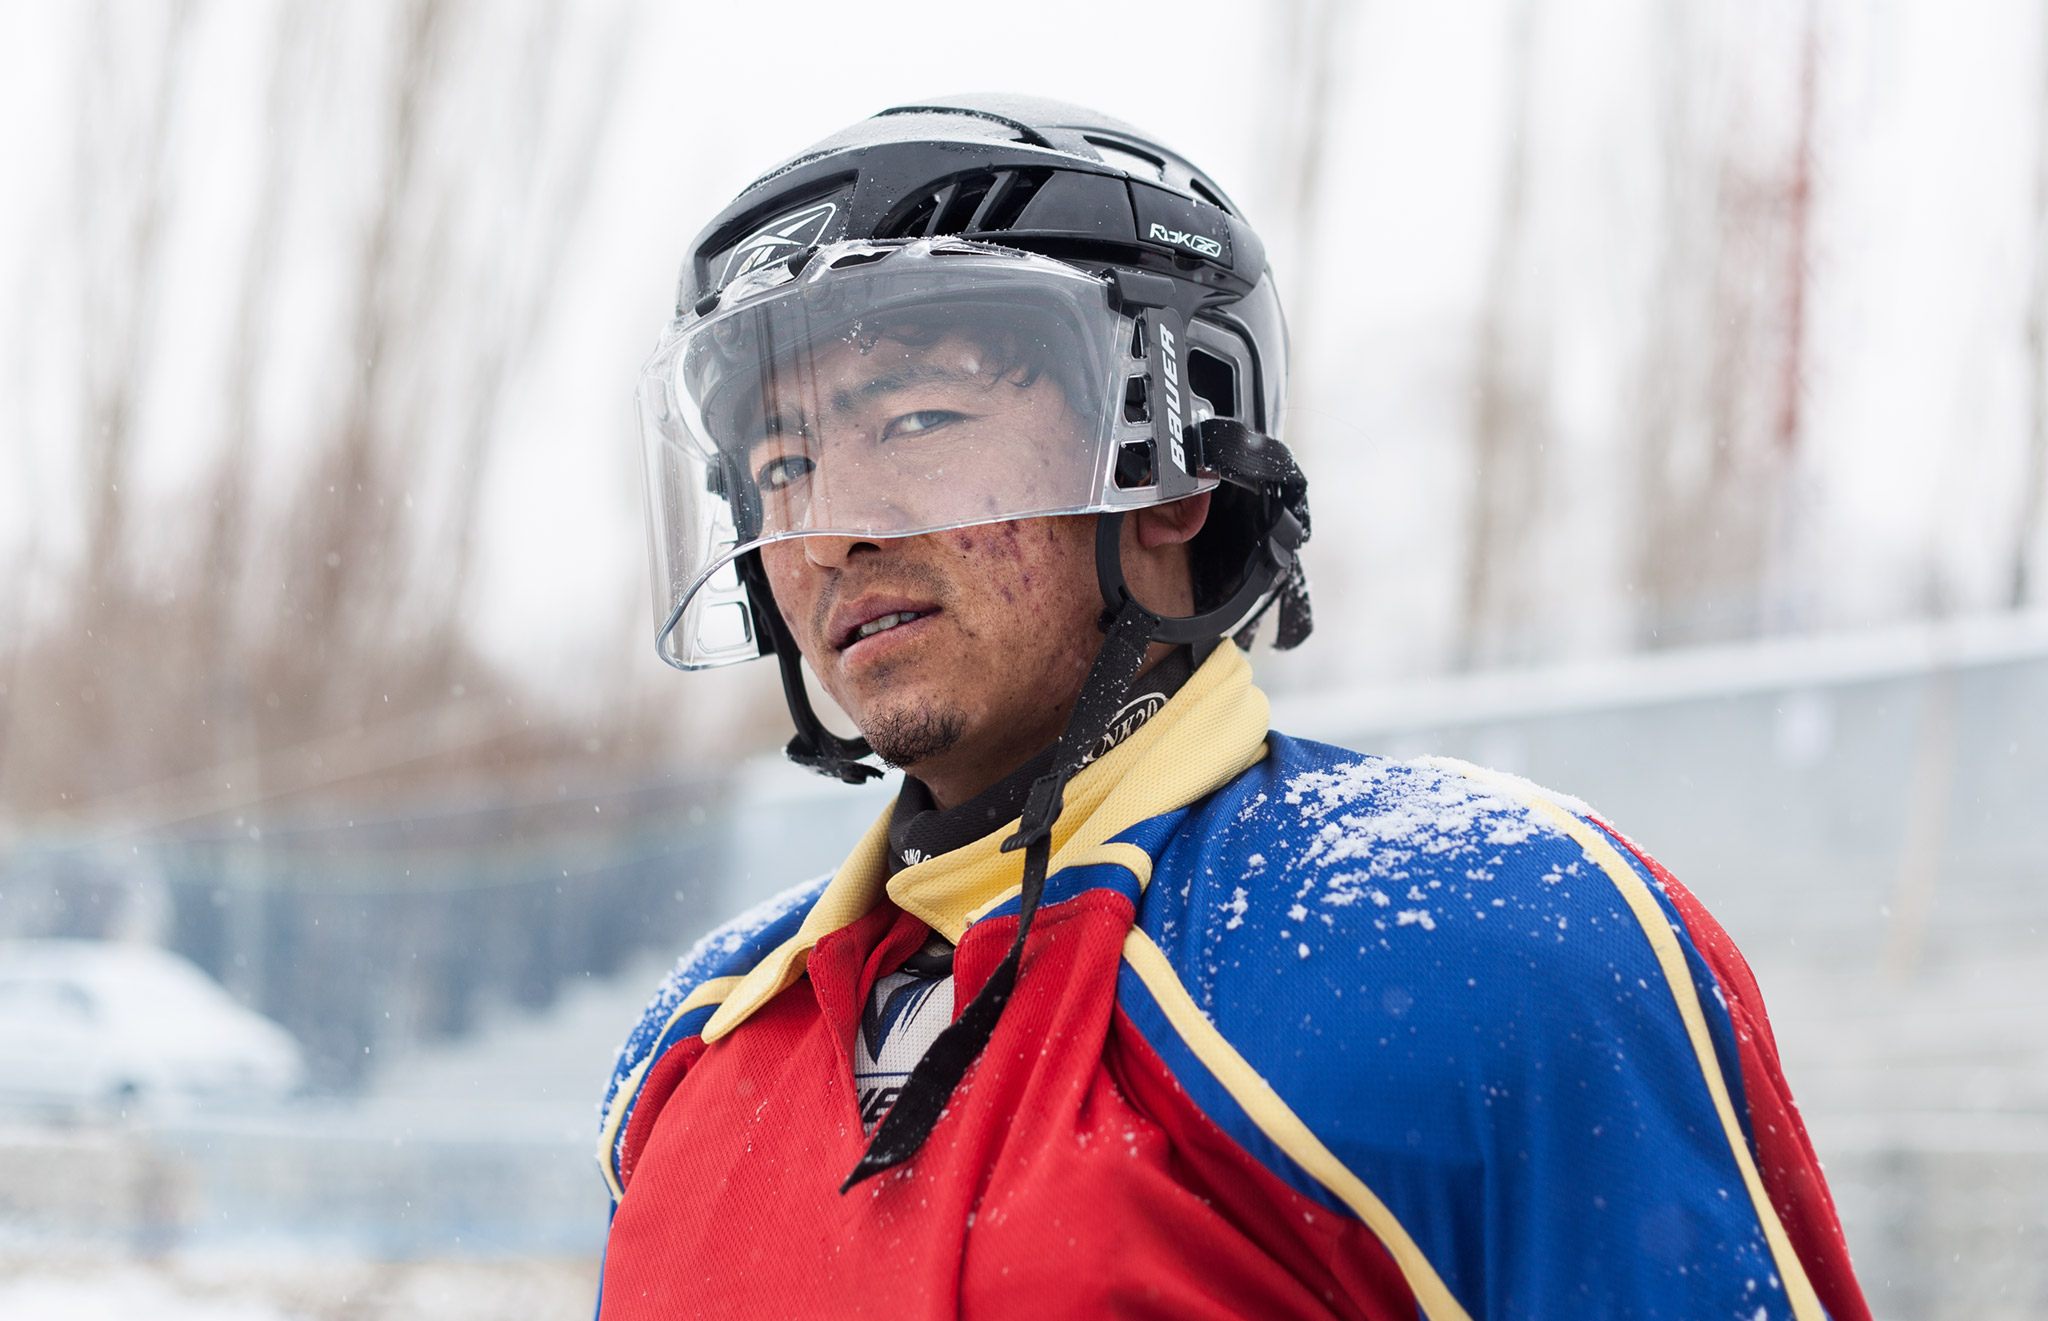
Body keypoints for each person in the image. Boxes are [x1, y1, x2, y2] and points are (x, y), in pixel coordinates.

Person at [595, 95, 1871, 1321]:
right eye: (783, 467)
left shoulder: (1489, 935)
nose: (829, 534)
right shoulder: (685, 1054)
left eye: (920, 417)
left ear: (1170, 473)